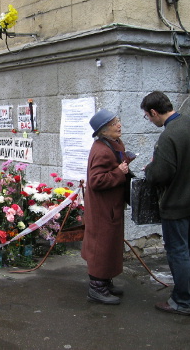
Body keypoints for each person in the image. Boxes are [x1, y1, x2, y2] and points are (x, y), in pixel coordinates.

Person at [141, 91, 190, 316]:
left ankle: (182, 302)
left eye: (148, 116)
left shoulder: (169, 136)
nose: (150, 120)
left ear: (154, 112)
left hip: (176, 204)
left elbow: (160, 175)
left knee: (178, 252)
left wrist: (150, 169)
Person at [81, 109, 133, 305]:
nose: (119, 125)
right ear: (103, 130)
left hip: (112, 206)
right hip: (103, 209)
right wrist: (120, 172)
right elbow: (96, 181)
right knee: (101, 246)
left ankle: (105, 282)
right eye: (113, 124)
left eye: (117, 121)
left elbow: (116, 164)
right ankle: (96, 288)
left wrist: (125, 161)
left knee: (110, 244)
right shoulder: (101, 150)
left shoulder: (114, 144)